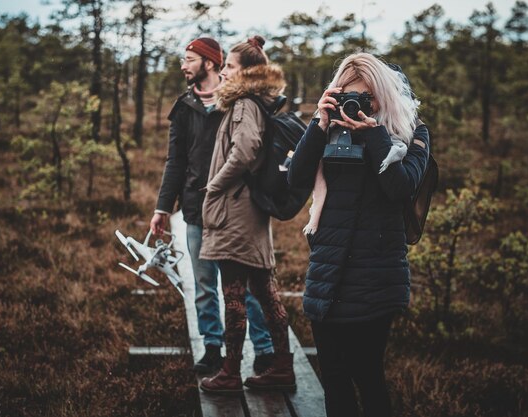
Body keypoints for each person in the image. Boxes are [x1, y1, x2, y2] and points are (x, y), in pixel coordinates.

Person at [288, 53, 430, 417]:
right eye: (348, 95)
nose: (356, 105)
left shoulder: (411, 134)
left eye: (365, 97)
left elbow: (399, 187)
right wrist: (319, 123)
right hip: (328, 272)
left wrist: (374, 135)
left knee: (367, 375)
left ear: (383, 95)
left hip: (375, 277)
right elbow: (296, 178)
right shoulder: (330, 128)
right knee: (334, 378)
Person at [149, 37, 275, 376]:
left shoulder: (236, 100)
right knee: (204, 286)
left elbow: (251, 149)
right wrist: (163, 208)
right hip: (194, 209)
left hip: (235, 209)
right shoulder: (184, 107)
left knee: (244, 285)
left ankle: (264, 349)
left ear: (210, 62)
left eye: (189, 59)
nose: (183, 65)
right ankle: (212, 348)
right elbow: (175, 162)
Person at [198, 36, 296, 395]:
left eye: (229, 67)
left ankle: (229, 373)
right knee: (265, 291)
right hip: (247, 211)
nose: (223, 72)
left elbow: (244, 151)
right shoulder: (253, 103)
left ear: (247, 72)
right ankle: (283, 366)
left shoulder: (243, 105)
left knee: (234, 294)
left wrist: (214, 186)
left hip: (235, 212)